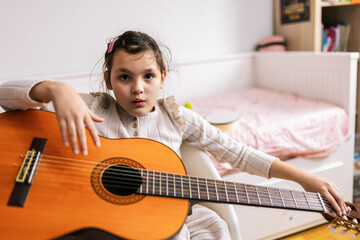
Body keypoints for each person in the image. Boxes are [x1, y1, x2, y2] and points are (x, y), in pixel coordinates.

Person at [0, 31, 347, 239]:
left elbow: (238, 154)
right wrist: (54, 89)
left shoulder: (178, 119)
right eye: (124, 77)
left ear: (163, 77)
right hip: (91, 218)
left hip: (161, 222)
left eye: (148, 76)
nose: (137, 88)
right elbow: (4, 94)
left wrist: (305, 179)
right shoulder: (94, 107)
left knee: (211, 227)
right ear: (108, 81)